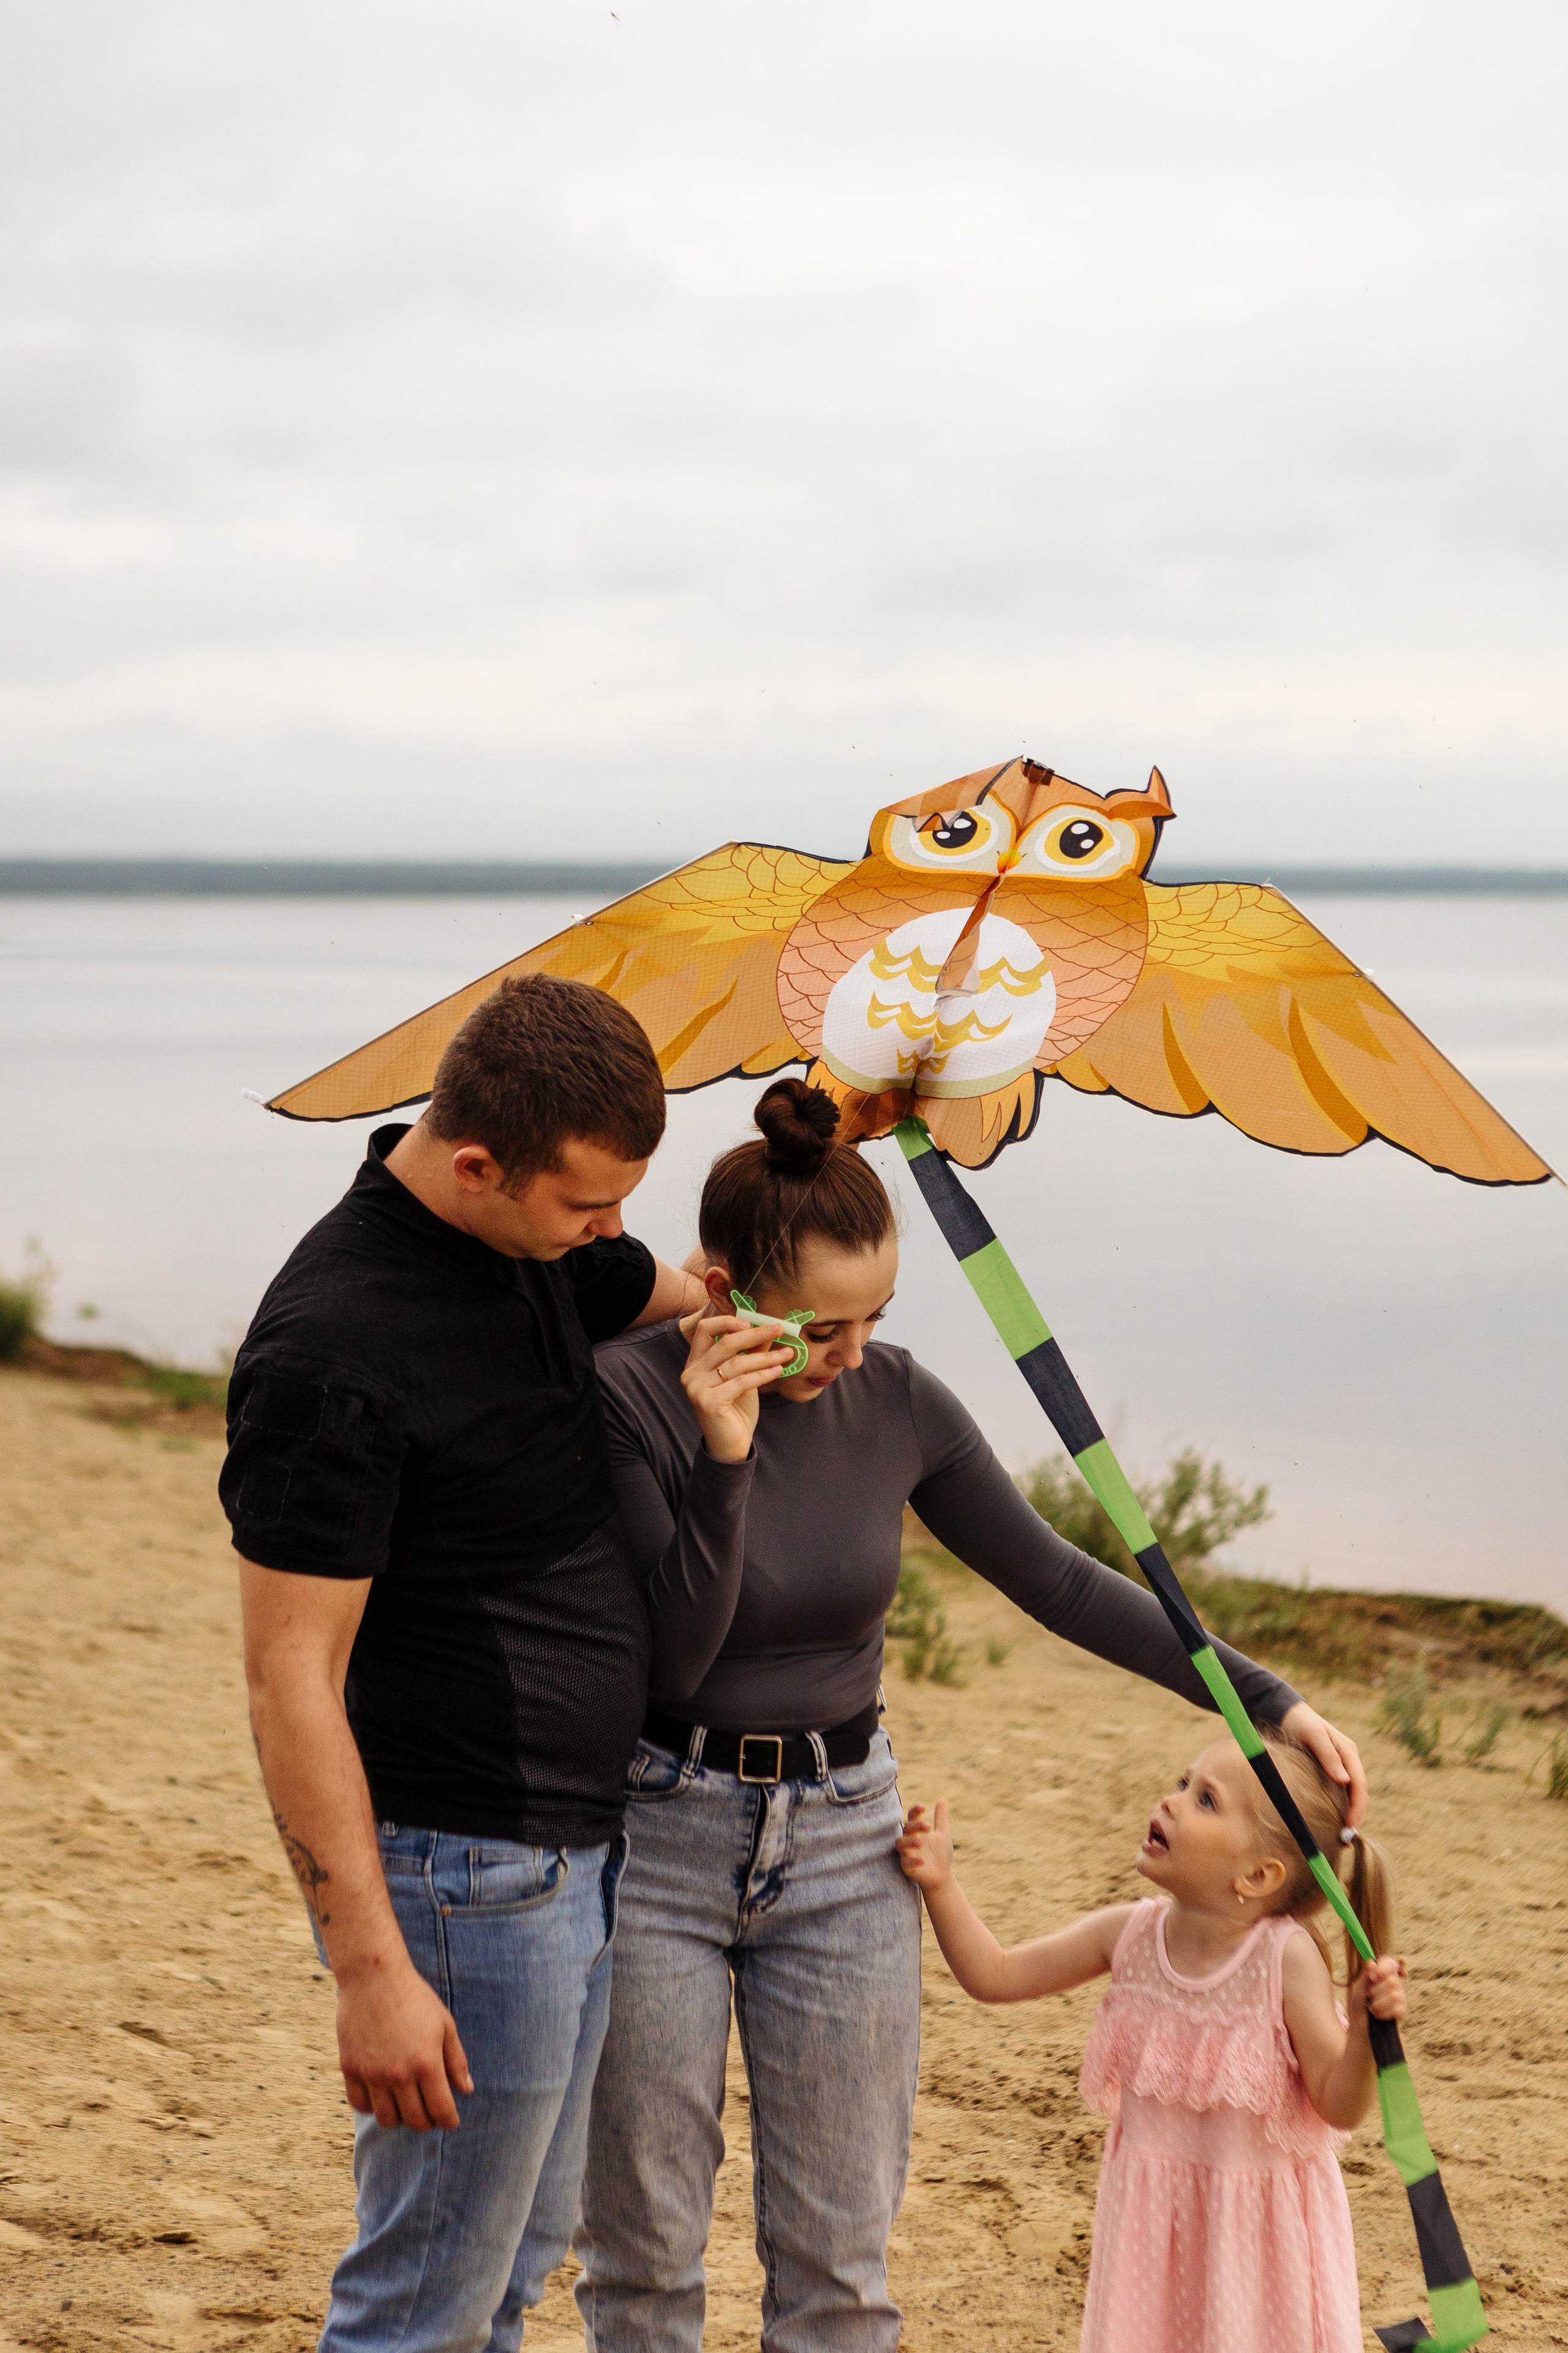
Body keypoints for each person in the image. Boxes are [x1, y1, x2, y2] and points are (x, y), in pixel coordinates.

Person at [573, 1076, 1368, 2353]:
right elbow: (675, 1651)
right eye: (821, 1325)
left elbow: (1057, 1581)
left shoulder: (895, 1399)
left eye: (876, 1316)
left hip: (844, 1843)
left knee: (837, 2267)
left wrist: (1265, 1695)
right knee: (643, 2261)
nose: (850, 1354)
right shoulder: (627, 1396)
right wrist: (723, 1457)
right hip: (659, 1833)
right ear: (718, 1288)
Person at [222, 974, 710, 2353]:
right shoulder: (334, 1348)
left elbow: (677, 1286)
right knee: (421, 2307)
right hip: (458, 1881)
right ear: (479, 1160)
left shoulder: (530, 1248)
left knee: (502, 2276)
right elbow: (287, 1679)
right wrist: (368, 1968)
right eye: (586, 1204)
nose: (611, 1232)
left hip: (575, 1855)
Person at [897, 1733, 1405, 2353]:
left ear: (1258, 1874)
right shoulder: (1129, 1935)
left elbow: (1338, 2104)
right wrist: (942, 1884)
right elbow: (996, 1974)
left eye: (1206, 1800)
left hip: (1257, 2248)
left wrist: (1364, 2037)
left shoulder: (1283, 1958)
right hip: (1150, 2239)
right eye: (1182, 1782)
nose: (1171, 1801)